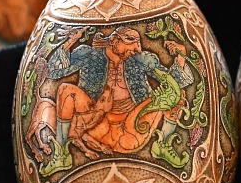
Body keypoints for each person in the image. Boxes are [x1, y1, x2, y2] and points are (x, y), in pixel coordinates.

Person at [41, 25, 193, 175]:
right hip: (96, 125)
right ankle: (60, 155)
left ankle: (163, 145)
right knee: (65, 90)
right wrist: (70, 41)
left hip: (133, 125)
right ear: (115, 40)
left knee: (175, 94)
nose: (136, 51)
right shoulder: (89, 54)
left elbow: (173, 82)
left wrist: (181, 56)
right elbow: (54, 72)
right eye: (131, 48)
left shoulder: (142, 60)